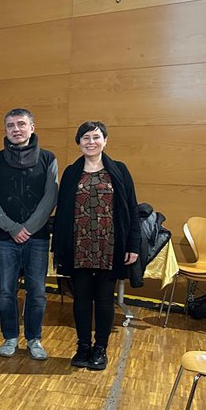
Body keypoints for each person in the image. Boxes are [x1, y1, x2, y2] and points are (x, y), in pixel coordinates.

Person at [53, 121, 140, 371]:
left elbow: (131, 209)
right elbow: (62, 213)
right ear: (78, 143)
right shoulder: (71, 172)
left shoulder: (119, 170)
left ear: (105, 141)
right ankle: (82, 346)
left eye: (96, 137)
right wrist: (59, 247)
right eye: (85, 138)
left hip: (109, 246)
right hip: (79, 246)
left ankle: (100, 348)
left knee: (103, 300)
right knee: (80, 299)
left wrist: (133, 244)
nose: (91, 142)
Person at [0, 108, 58, 360]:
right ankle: (10, 337)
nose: (16, 129)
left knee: (37, 291)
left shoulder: (48, 158)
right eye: (11, 125)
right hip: (5, 238)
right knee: (6, 291)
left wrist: (29, 228)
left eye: (21, 124)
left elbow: (50, 198)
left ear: (32, 128)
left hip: (37, 238)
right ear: (5, 130)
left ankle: (34, 338)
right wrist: (13, 228)